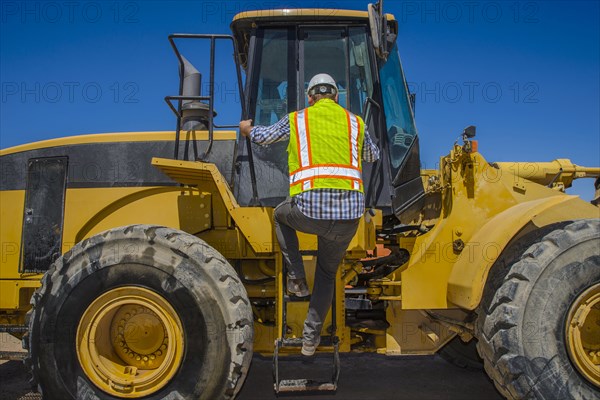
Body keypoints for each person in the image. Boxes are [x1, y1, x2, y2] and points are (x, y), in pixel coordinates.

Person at [240, 73, 380, 356]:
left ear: (310, 97)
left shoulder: (298, 119)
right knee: (328, 274)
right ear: (336, 96)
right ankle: (310, 340)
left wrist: (246, 129)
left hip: (309, 212)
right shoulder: (356, 122)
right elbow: (372, 156)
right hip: (348, 217)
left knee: (280, 215)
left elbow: (264, 138)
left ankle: (298, 280)